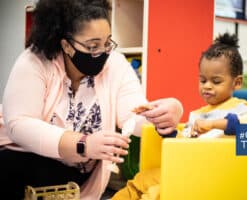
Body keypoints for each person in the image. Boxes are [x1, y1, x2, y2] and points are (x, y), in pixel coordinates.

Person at [0, 0, 183, 199]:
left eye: (107, 43)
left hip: (74, 175)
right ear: (66, 45)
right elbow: (19, 125)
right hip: (20, 160)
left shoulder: (115, 64)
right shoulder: (35, 61)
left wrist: (161, 115)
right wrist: (83, 144)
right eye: (92, 46)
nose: (103, 52)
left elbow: (132, 115)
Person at [111, 32, 247, 200]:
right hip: (189, 170)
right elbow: (182, 143)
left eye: (216, 81)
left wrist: (214, 124)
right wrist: (165, 129)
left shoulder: (240, 108)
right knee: (140, 180)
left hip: (218, 178)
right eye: (202, 80)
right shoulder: (197, 115)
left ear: (236, 83)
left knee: (156, 193)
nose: (207, 86)